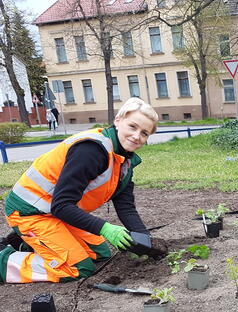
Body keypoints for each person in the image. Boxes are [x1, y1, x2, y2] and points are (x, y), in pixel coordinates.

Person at [0, 98, 158, 284]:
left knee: (100, 253)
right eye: (133, 126)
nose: (137, 136)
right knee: (77, 267)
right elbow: (61, 205)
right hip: (30, 213)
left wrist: (145, 241)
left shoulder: (124, 163)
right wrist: (105, 228)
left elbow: (126, 208)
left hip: (56, 214)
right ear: (118, 120)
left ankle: (28, 243)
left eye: (144, 133)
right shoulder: (92, 151)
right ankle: (4, 261)